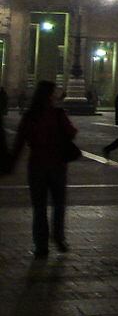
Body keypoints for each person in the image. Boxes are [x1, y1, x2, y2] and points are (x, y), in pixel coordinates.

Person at [7, 80, 77, 256]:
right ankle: (59, 237)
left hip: (36, 164)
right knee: (59, 204)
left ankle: (41, 245)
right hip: (57, 164)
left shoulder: (30, 115)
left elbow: (19, 143)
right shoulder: (58, 113)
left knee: (39, 207)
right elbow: (72, 132)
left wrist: (10, 165)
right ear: (50, 95)